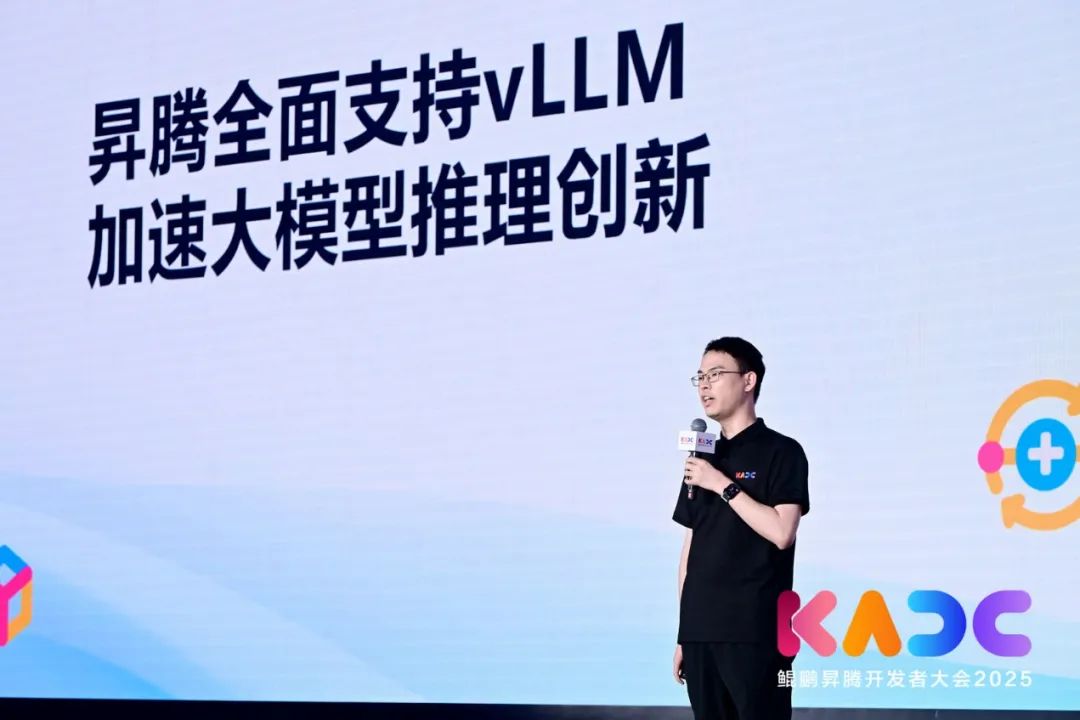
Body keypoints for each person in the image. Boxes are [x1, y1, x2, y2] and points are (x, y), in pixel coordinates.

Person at [672, 337, 810, 720]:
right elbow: (689, 549)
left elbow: (782, 532)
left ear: (749, 381)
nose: (704, 385)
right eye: (700, 377)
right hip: (701, 632)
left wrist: (721, 484)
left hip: (756, 632)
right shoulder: (702, 458)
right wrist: (685, 632)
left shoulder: (782, 452)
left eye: (715, 374)